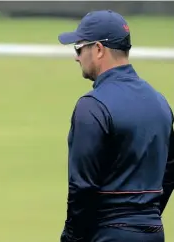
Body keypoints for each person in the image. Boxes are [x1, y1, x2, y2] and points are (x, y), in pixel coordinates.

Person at [57, 10, 172, 242]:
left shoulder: (92, 106)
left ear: (98, 49)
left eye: (79, 47)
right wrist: (144, 220)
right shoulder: (160, 103)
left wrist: (71, 238)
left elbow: (82, 188)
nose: (76, 57)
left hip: (106, 234)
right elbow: (169, 172)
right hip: (153, 233)